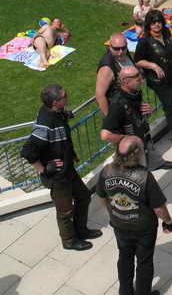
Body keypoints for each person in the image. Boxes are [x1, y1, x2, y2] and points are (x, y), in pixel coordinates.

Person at [21, 84, 102, 251]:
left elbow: (60, 120)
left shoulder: (56, 113)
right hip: (57, 177)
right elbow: (28, 151)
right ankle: (69, 241)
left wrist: (65, 114)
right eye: (64, 96)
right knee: (65, 211)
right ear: (55, 102)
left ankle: (81, 230)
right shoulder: (45, 124)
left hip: (68, 170)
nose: (67, 97)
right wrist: (44, 169)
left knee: (84, 197)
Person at [97, 135, 172, 295]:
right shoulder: (145, 177)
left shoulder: (106, 171)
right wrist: (167, 221)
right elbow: (159, 209)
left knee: (125, 257)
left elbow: (102, 198)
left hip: (119, 224)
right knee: (144, 262)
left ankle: (125, 292)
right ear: (138, 153)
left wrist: (113, 214)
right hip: (143, 229)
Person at [134, 10, 172, 152]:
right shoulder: (145, 41)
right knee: (171, 108)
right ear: (148, 24)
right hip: (161, 81)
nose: (157, 24)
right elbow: (138, 61)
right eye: (153, 22)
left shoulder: (167, 33)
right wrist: (153, 65)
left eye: (159, 21)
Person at [100, 65, 172, 171]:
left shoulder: (135, 92)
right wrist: (128, 139)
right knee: (140, 174)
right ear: (126, 82)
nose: (142, 80)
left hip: (143, 136)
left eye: (140, 76)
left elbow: (136, 113)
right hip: (131, 149)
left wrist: (148, 111)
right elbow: (105, 135)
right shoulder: (117, 105)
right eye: (137, 78)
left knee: (149, 152)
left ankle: (156, 164)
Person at [96, 33, 135, 116]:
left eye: (123, 48)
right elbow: (100, 96)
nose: (120, 52)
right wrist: (110, 119)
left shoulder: (124, 53)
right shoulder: (106, 69)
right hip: (120, 112)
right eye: (116, 49)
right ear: (110, 47)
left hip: (132, 104)